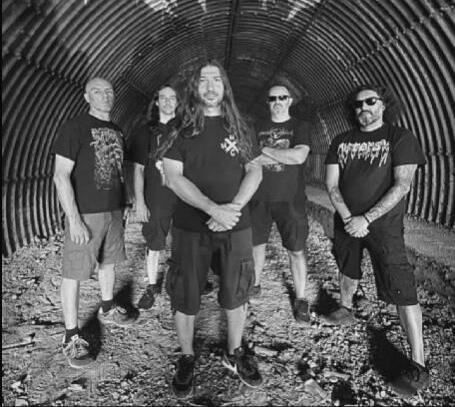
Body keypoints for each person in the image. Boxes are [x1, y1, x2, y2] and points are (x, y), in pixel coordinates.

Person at [161, 59, 263, 399]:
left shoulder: (242, 126)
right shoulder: (180, 128)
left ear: (225, 86)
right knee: (185, 292)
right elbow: (173, 177)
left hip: (236, 225)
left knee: (237, 290)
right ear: (194, 88)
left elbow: (255, 170)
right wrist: (211, 208)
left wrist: (232, 209)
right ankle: (187, 357)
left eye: (216, 79)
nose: (209, 86)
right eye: (203, 80)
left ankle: (234, 351)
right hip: (191, 226)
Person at [323, 83, 429, 397]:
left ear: (383, 105)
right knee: (347, 267)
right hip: (346, 222)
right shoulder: (341, 140)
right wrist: (348, 218)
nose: (364, 108)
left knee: (402, 287)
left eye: (370, 102)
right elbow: (331, 185)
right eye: (357, 104)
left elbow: (402, 185)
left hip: (384, 227)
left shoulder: (400, 137)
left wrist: (365, 219)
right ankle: (345, 308)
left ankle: (418, 364)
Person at [52, 77, 136, 369]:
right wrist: (74, 220)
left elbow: (119, 170)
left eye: (109, 91)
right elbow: (60, 176)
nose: (105, 95)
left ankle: (107, 307)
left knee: (109, 263)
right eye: (97, 91)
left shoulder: (117, 130)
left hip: (113, 211)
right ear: (87, 97)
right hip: (86, 214)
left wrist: (124, 204)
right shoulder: (74, 128)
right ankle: (71, 336)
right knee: (74, 273)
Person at [250, 84, 311, 324]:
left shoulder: (300, 126)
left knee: (296, 249)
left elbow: (299, 156)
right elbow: (249, 159)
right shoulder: (256, 127)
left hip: (291, 199)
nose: (277, 102)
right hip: (259, 197)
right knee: (256, 245)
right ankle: (254, 285)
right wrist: (283, 155)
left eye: (282, 97)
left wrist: (264, 149)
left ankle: (301, 298)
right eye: (272, 98)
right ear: (268, 102)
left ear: (289, 100)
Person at [129, 84, 178, 310]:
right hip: (156, 196)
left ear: (177, 102)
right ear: (157, 102)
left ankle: (185, 280)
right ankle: (151, 286)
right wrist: (140, 201)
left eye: (172, 98)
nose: (167, 101)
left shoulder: (185, 130)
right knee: (155, 241)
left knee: (186, 239)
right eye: (163, 98)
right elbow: (138, 169)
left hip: (182, 196)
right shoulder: (146, 132)